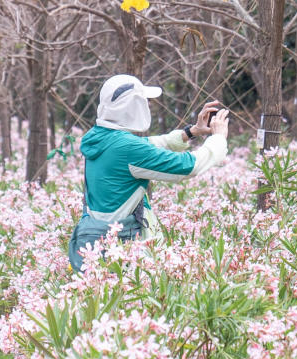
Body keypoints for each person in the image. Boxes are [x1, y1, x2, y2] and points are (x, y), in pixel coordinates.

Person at [68, 74, 229, 272]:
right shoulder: (127, 148)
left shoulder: (97, 137)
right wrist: (219, 138)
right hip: (125, 252)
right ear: (133, 107)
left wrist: (191, 132)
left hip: (97, 240)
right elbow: (189, 167)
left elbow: (148, 145)